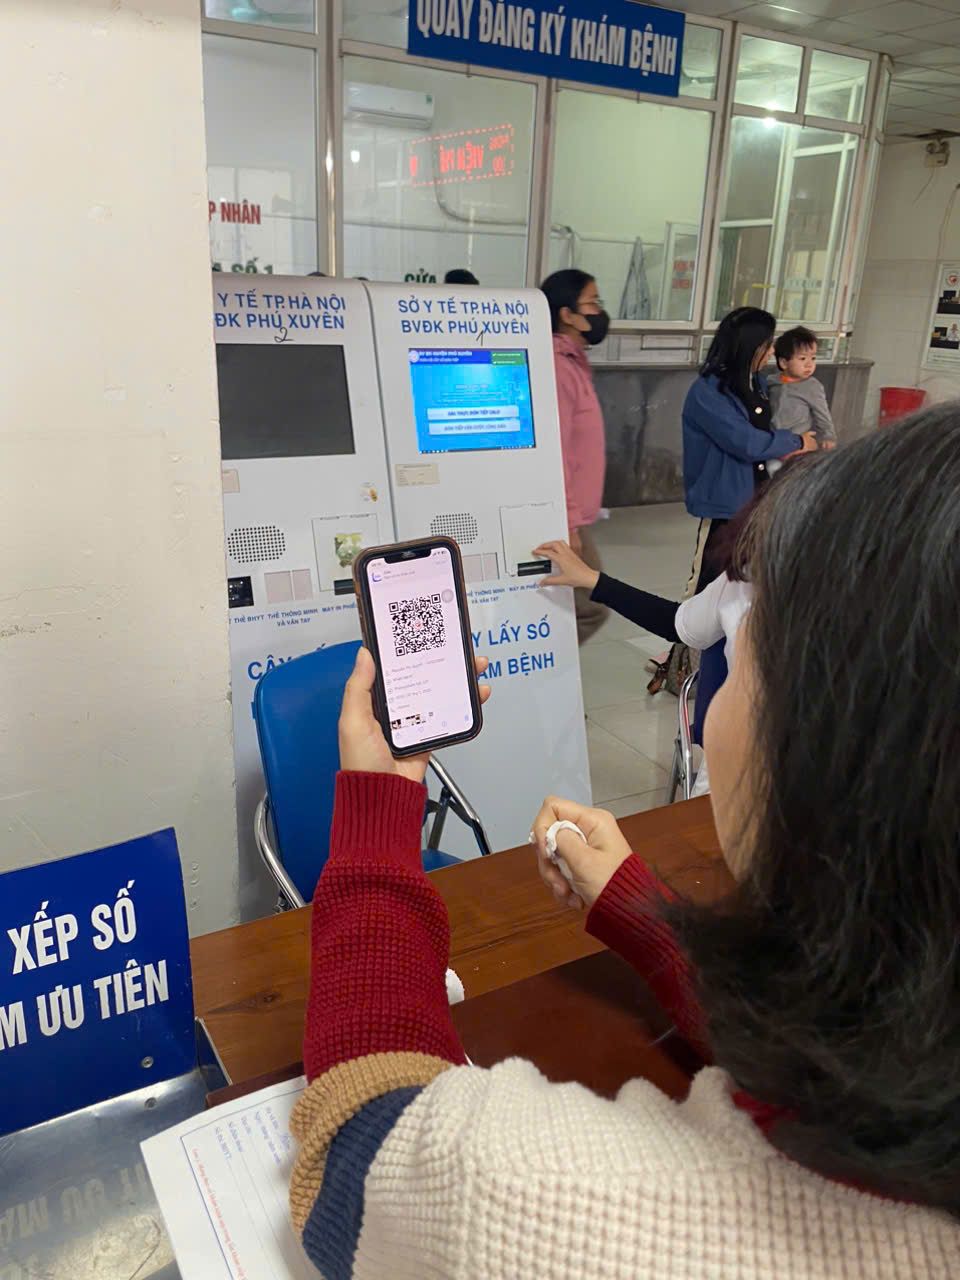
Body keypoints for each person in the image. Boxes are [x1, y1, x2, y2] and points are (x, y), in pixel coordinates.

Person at [289, 407, 960, 1277]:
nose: (715, 703)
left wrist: (380, 814)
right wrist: (644, 914)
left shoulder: (597, 1220)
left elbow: (359, 1144)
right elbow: (849, 1055)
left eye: (750, 655)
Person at [683, 306, 817, 597]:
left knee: (746, 585)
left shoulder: (758, 383)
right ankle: (685, 630)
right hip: (725, 507)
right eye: (766, 345)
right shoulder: (709, 392)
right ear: (748, 347)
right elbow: (747, 443)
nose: (771, 352)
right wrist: (797, 442)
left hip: (759, 500)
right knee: (707, 587)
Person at [540, 269, 610, 645]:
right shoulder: (557, 366)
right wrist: (567, 523)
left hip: (573, 515)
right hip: (563, 517)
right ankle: (542, 676)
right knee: (591, 607)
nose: (599, 312)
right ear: (567, 314)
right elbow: (556, 450)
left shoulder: (572, 361)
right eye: (592, 303)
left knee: (574, 606)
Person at [768, 326, 837, 454]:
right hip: (773, 441)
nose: (809, 364)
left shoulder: (812, 386)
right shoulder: (770, 381)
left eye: (813, 358)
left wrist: (828, 436)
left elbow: (822, 414)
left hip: (798, 443)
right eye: (802, 358)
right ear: (783, 363)